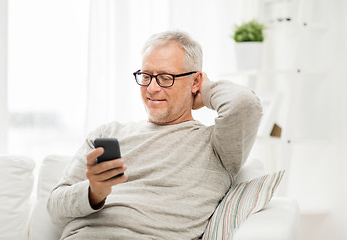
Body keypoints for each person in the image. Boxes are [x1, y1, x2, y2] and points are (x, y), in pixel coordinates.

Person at [47, 30, 263, 240]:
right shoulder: (108, 133)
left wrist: (205, 91)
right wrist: (94, 191)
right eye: (146, 76)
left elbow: (245, 104)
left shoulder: (215, 146)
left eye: (166, 78)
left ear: (195, 82)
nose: (151, 88)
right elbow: (55, 207)